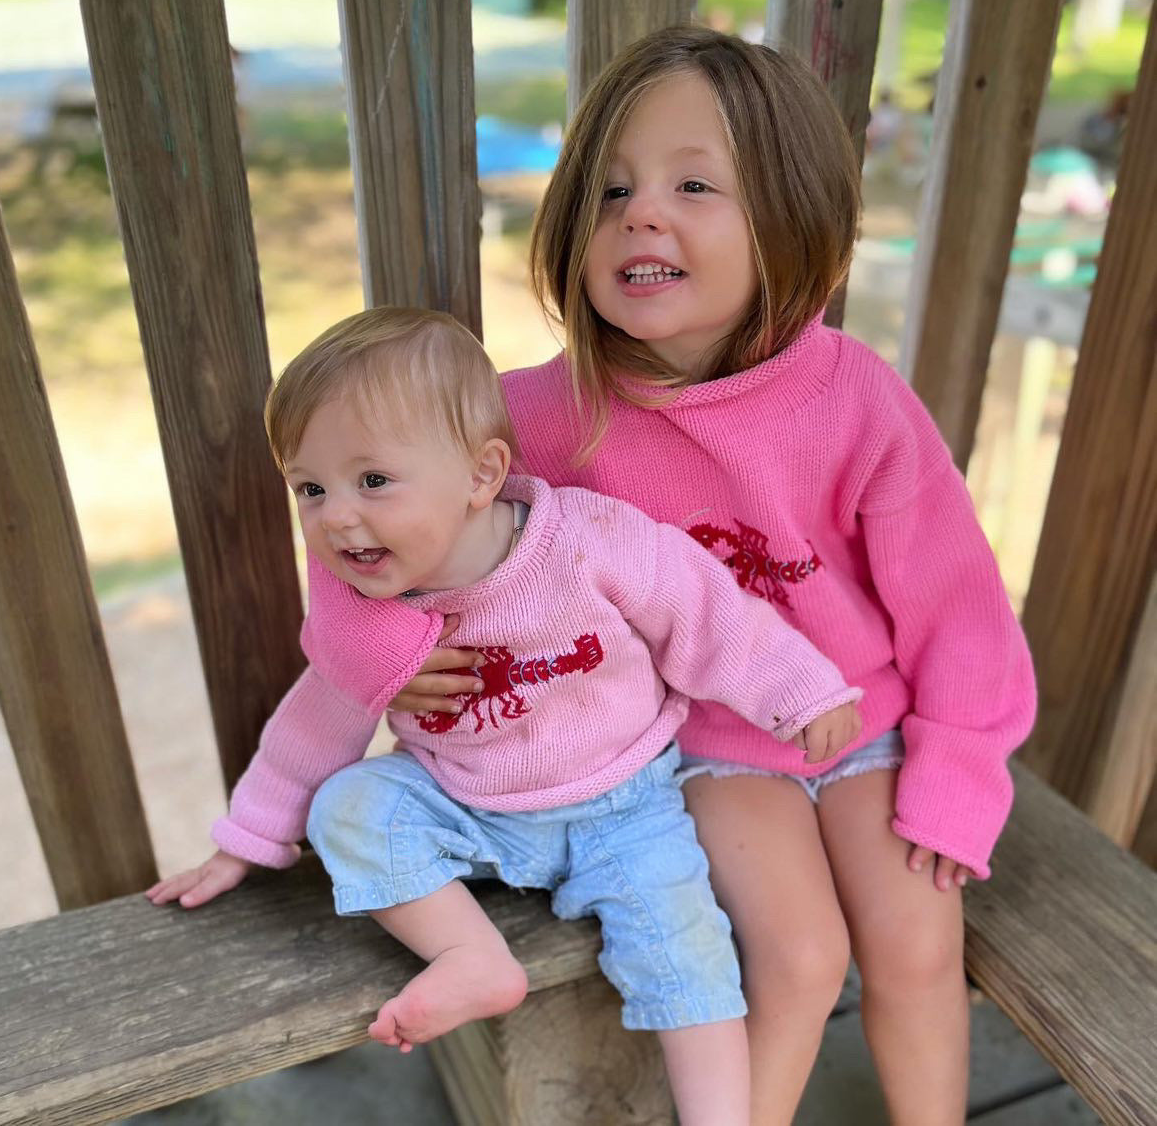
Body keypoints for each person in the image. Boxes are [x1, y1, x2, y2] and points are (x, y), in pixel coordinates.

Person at [304, 29, 1037, 1126]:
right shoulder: (538, 418)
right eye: (610, 191)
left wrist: (961, 764)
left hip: (868, 721)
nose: (641, 213)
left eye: (694, 183)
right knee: (795, 956)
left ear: (790, 219)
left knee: (918, 944)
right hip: (705, 742)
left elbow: (956, 603)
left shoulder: (856, 398)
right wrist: (385, 656)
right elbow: (357, 520)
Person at [148, 306, 863, 1126]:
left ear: (482, 475)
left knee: (686, 953)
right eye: (310, 488)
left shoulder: (588, 544)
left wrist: (801, 691)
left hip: (624, 808)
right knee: (350, 803)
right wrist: (246, 839)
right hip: (471, 813)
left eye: (372, 480)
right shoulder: (377, 617)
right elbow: (317, 723)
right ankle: (471, 956)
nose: (336, 516)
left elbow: (707, 613)